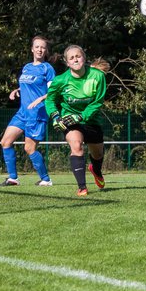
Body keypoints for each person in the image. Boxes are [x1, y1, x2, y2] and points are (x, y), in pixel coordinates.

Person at [45, 45, 110, 197]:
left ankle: (96, 170)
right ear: (67, 63)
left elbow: (98, 102)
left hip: (91, 121)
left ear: (84, 58)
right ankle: (82, 187)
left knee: (98, 154)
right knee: (76, 145)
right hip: (70, 120)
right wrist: (55, 116)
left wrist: (81, 116)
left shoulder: (97, 76)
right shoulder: (60, 80)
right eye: (71, 58)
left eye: (78, 56)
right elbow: (50, 100)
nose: (75, 59)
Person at [0, 36, 56, 187]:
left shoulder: (47, 69)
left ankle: (46, 179)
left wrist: (39, 99)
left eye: (42, 47)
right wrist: (16, 90)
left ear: (46, 51)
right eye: (37, 47)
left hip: (37, 113)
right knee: (5, 142)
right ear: (32, 49)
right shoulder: (27, 67)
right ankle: (13, 179)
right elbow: (28, 85)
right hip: (22, 113)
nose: (39, 49)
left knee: (29, 148)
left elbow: (54, 91)